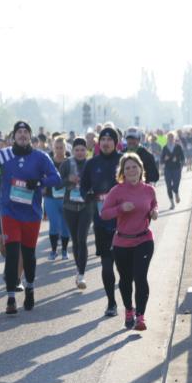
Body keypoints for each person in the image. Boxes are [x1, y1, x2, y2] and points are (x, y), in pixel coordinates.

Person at [0, 121, 62, 315]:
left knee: (28, 254)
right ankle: (11, 297)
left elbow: (56, 178)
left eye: (25, 132)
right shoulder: (4, 154)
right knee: (12, 253)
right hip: (9, 211)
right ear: (13, 137)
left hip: (31, 213)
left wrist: (39, 182)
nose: (22, 135)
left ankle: (29, 288)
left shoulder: (40, 157)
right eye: (18, 132)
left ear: (30, 136)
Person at [100, 153, 158, 331]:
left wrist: (154, 211)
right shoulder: (117, 191)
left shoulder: (149, 189)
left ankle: (140, 317)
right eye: (127, 168)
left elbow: (154, 203)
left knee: (140, 278)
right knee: (125, 280)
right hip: (122, 242)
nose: (132, 170)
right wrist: (120, 208)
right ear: (123, 172)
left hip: (144, 239)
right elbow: (104, 214)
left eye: (134, 167)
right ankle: (129, 310)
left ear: (141, 169)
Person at [80, 127, 124, 317]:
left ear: (115, 142)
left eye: (109, 139)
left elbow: (136, 181)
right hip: (102, 221)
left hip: (125, 222)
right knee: (107, 265)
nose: (106, 142)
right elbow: (83, 187)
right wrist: (87, 195)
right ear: (99, 143)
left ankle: (129, 304)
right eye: (103, 139)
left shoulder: (124, 161)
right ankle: (111, 303)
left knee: (124, 267)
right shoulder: (92, 164)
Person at [61, 138, 92, 289]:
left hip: (87, 206)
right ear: (73, 151)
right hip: (70, 206)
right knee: (75, 240)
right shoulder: (67, 164)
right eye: (77, 150)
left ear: (86, 151)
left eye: (82, 150)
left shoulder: (91, 163)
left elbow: (97, 182)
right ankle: (78, 268)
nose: (80, 152)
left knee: (82, 239)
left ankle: (81, 275)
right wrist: (68, 179)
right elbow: (58, 182)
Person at [44, 135, 70, 261]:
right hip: (51, 197)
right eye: (57, 147)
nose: (59, 150)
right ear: (53, 148)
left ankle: (64, 250)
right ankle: (54, 251)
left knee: (65, 225)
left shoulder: (70, 162)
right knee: (53, 224)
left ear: (65, 148)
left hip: (66, 198)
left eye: (61, 147)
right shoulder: (49, 161)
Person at [160, 131, 185, 209]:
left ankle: (176, 193)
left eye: (172, 138)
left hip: (177, 168)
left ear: (174, 139)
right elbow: (161, 160)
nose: (170, 139)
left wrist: (177, 159)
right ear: (167, 139)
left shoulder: (178, 147)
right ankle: (172, 203)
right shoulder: (164, 148)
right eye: (169, 138)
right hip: (168, 169)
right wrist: (165, 159)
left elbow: (183, 158)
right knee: (168, 186)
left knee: (176, 184)